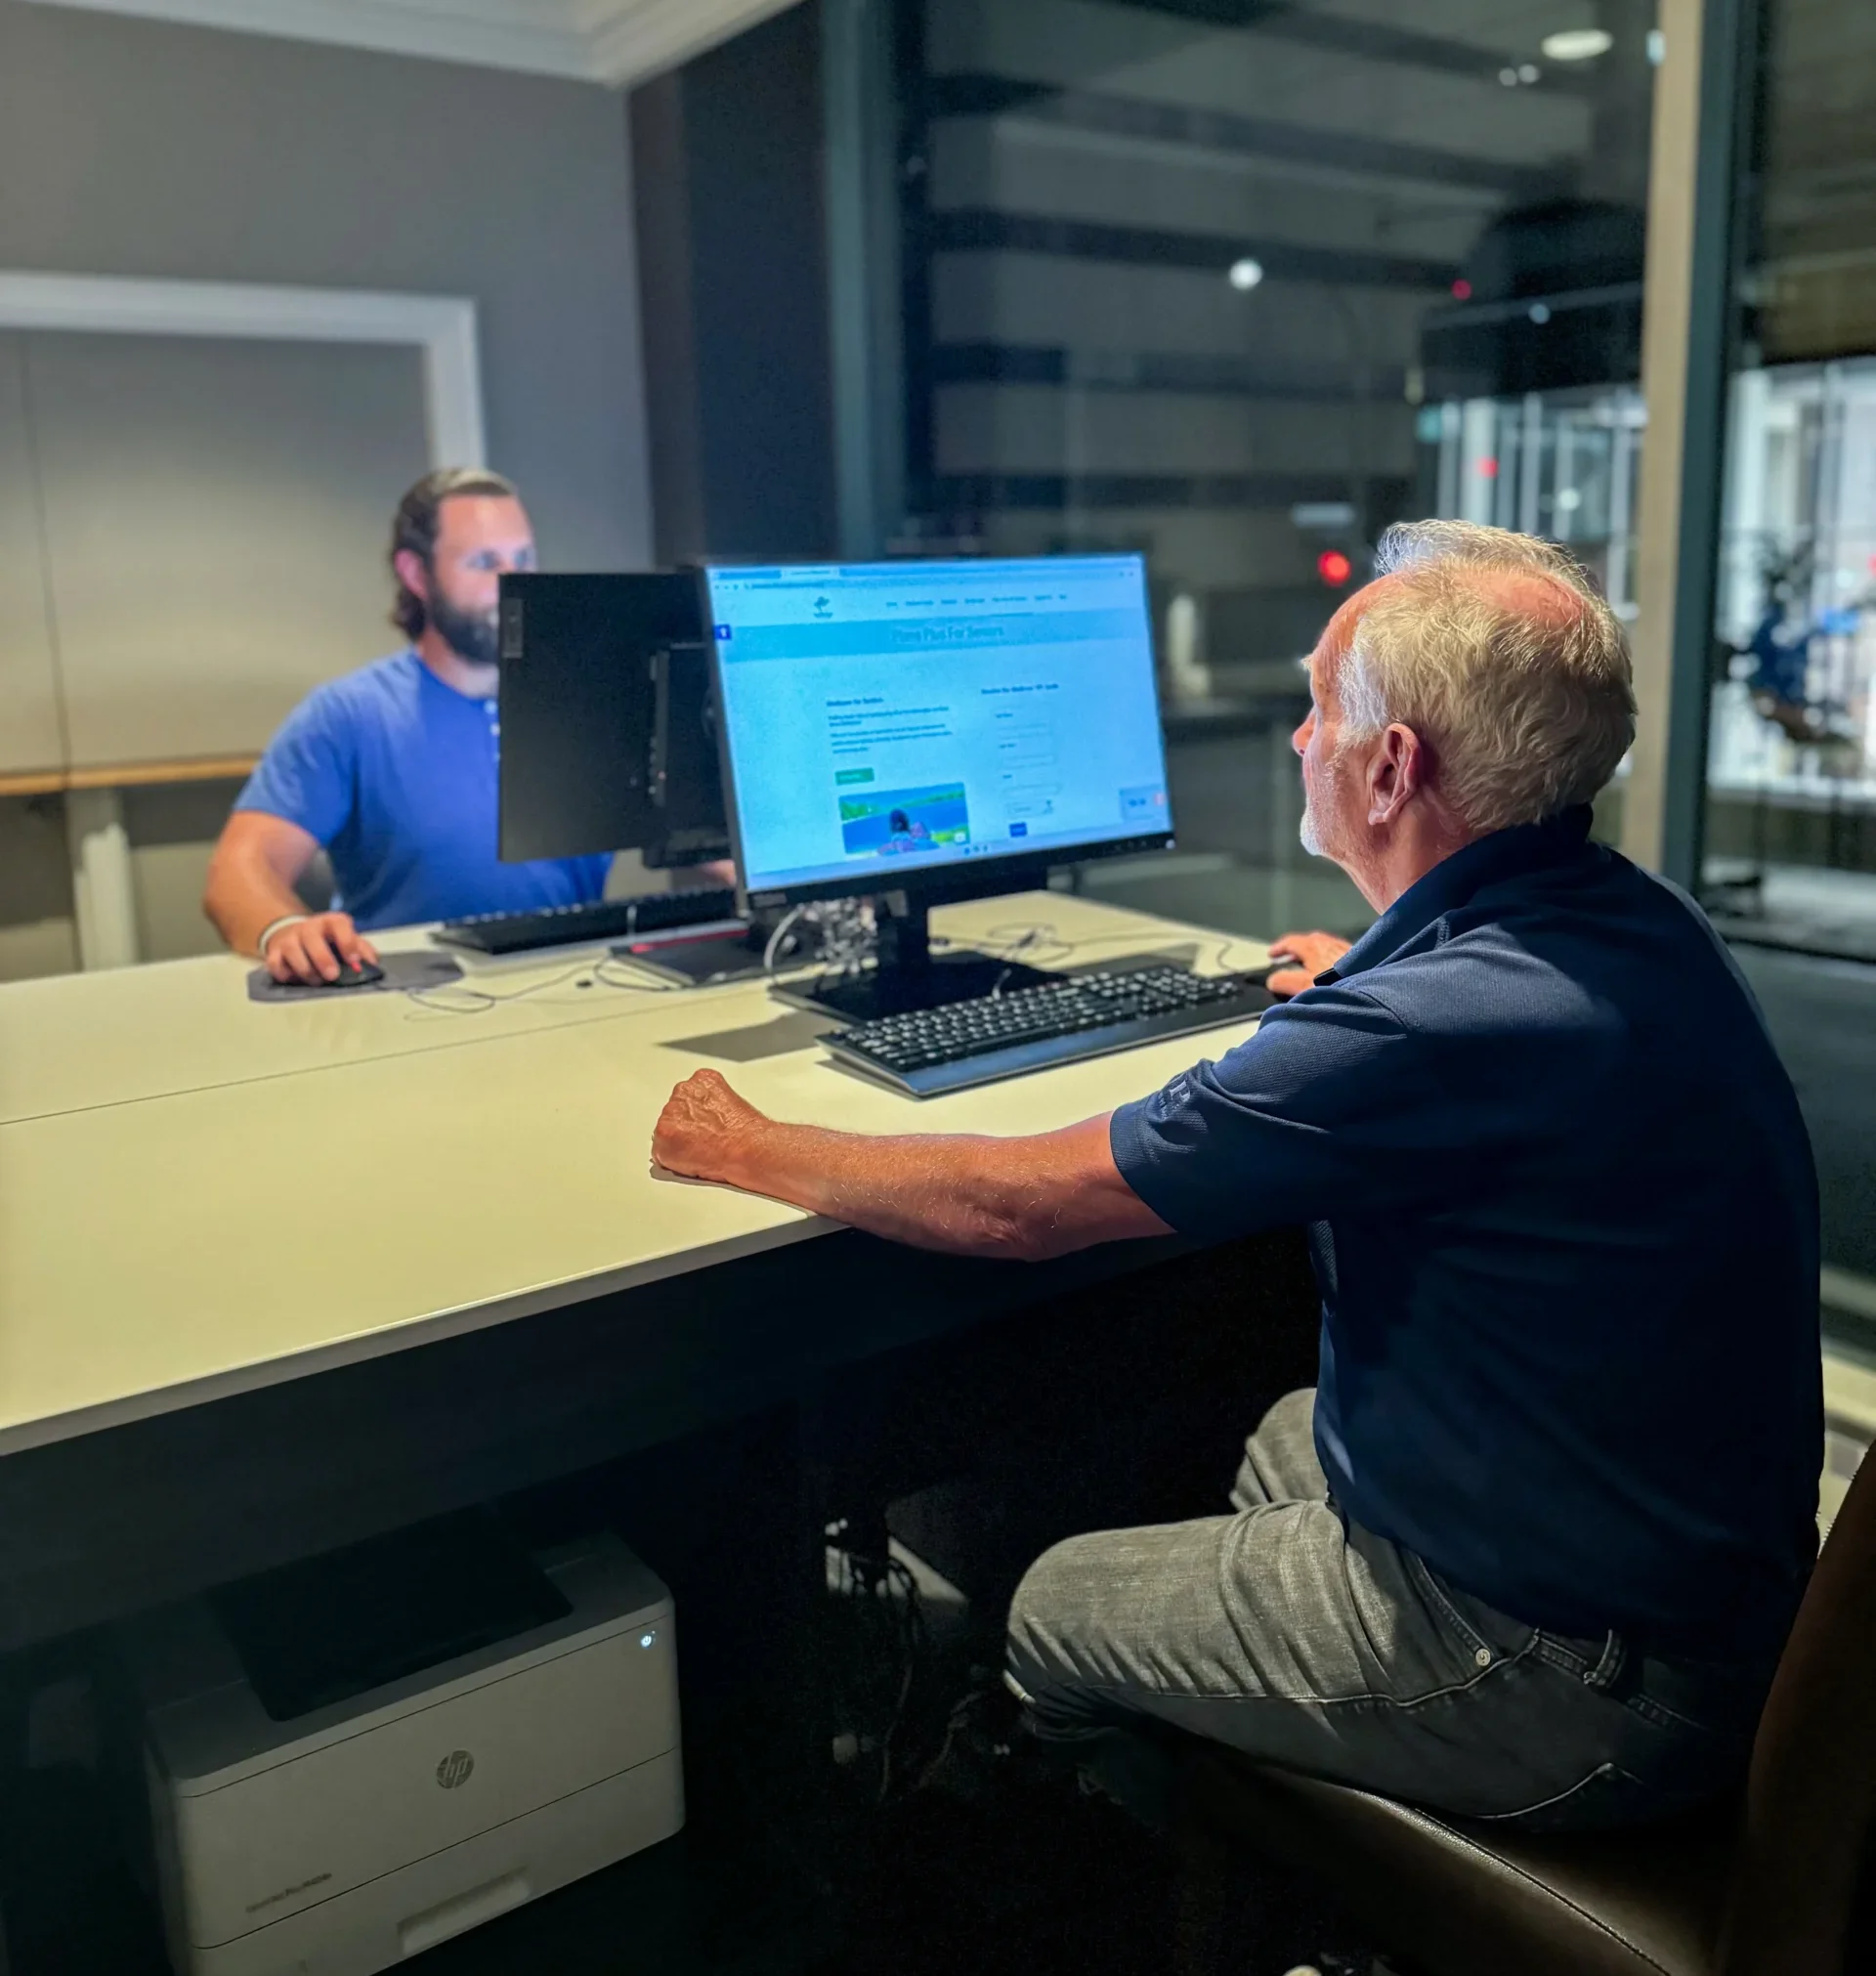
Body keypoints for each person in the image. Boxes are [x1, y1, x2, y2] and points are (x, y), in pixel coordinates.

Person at [650, 520, 1821, 1831]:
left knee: (1046, 1602)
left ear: (1393, 769)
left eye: (1318, 705)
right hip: (1686, 1588)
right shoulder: (1620, 922)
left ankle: (1101, 1865)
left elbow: (1015, 1203)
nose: (1294, 738)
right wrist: (1359, 984)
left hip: (1575, 1681)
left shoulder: (1427, 1025)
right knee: (1272, 1423)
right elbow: (1452, 1045)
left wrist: (741, 1142)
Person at [204, 469, 612, 983]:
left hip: (580, 992)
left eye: (523, 559)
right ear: (417, 575)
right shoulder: (349, 714)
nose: (515, 584)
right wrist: (285, 929)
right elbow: (238, 871)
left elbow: (715, 841)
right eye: (485, 562)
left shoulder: (586, 703)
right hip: (411, 1003)